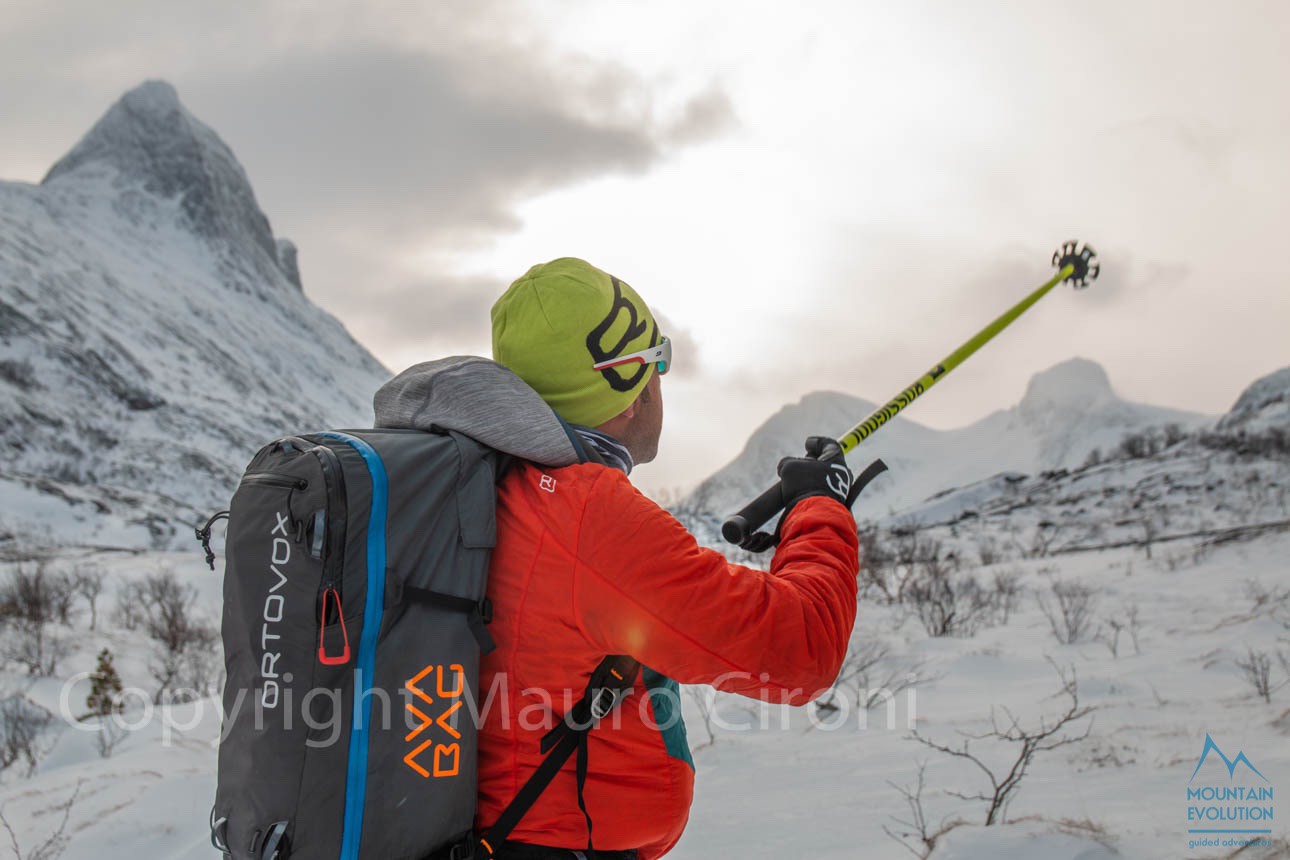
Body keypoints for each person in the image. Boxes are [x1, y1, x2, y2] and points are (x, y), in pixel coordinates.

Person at [374, 257, 860, 859]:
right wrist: (821, 509)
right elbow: (802, 649)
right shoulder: (586, 517)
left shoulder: (467, 480)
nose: (661, 382)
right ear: (629, 385)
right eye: (658, 360)